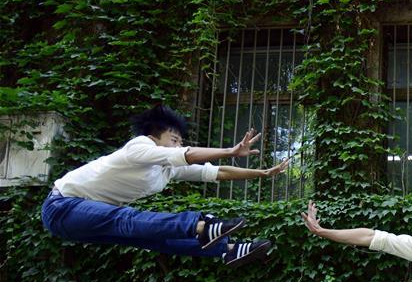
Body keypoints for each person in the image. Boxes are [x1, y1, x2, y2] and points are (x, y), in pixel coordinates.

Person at [42, 105, 286, 267]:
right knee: (126, 219)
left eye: (181, 141)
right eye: (174, 139)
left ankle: (229, 249)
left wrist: (263, 172)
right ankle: (201, 226)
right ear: (154, 136)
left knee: (153, 238)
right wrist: (231, 150)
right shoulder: (139, 146)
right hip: (63, 206)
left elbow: (217, 172)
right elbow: (187, 155)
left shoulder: (168, 168)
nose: (178, 145)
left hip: (82, 223)